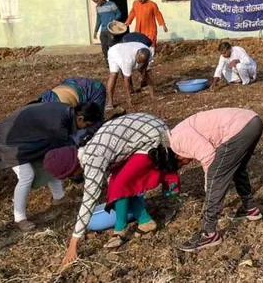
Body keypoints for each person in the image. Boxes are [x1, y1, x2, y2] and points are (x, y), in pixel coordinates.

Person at [42, 113, 169, 265]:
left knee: (119, 183)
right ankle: (144, 220)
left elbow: (89, 201)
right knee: (117, 182)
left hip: (155, 135)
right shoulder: (89, 147)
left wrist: (73, 243)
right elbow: (111, 177)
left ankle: (122, 229)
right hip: (148, 124)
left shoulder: (93, 159)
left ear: (72, 170)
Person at [0, 102, 101, 231]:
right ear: (80, 118)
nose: (83, 129)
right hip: (7, 140)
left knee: (53, 160)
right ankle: (19, 218)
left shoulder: (66, 113)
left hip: (25, 138)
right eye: (85, 126)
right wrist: (81, 182)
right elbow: (66, 162)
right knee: (27, 175)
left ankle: (59, 197)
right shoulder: (59, 125)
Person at [167, 108, 263, 252]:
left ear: (177, 157)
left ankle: (209, 233)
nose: (186, 164)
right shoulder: (177, 133)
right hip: (253, 122)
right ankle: (250, 208)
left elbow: (208, 157)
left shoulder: (177, 141)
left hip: (240, 127)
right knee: (237, 168)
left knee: (215, 174)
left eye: (182, 164)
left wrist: (210, 189)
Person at [103, 148, 180, 248]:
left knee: (120, 185)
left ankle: (119, 231)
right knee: (124, 185)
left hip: (142, 150)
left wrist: (75, 237)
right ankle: (145, 220)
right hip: (123, 155)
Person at [33, 77, 106, 139]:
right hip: (70, 85)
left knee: (94, 125)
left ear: (80, 118)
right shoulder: (44, 105)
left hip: (93, 89)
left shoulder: (62, 112)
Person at [106, 42, 155, 109]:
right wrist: (128, 97)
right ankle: (110, 101)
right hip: (115, 53)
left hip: (127, 49)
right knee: (114, 75)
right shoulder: (127, 60)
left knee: (147, 72)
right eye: (139, 60)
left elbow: (146, 63)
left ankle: (153, 95)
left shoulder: (148, 52)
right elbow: (126, 79)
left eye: (141, 62)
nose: (140, 63)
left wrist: (143, 75)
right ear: (137, 55)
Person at [92, 0, 122, 65]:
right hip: (103, 30)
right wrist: (95, 31)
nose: (97, 3)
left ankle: (116, 61)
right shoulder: (97, 7)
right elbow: (98, 19)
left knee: (112, 45)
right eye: (95, 2)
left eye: (97, 1)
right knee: (104, 47)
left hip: (111, 29)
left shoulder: (111, 4)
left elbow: (119, 13)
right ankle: (108, 62)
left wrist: (114, 20)